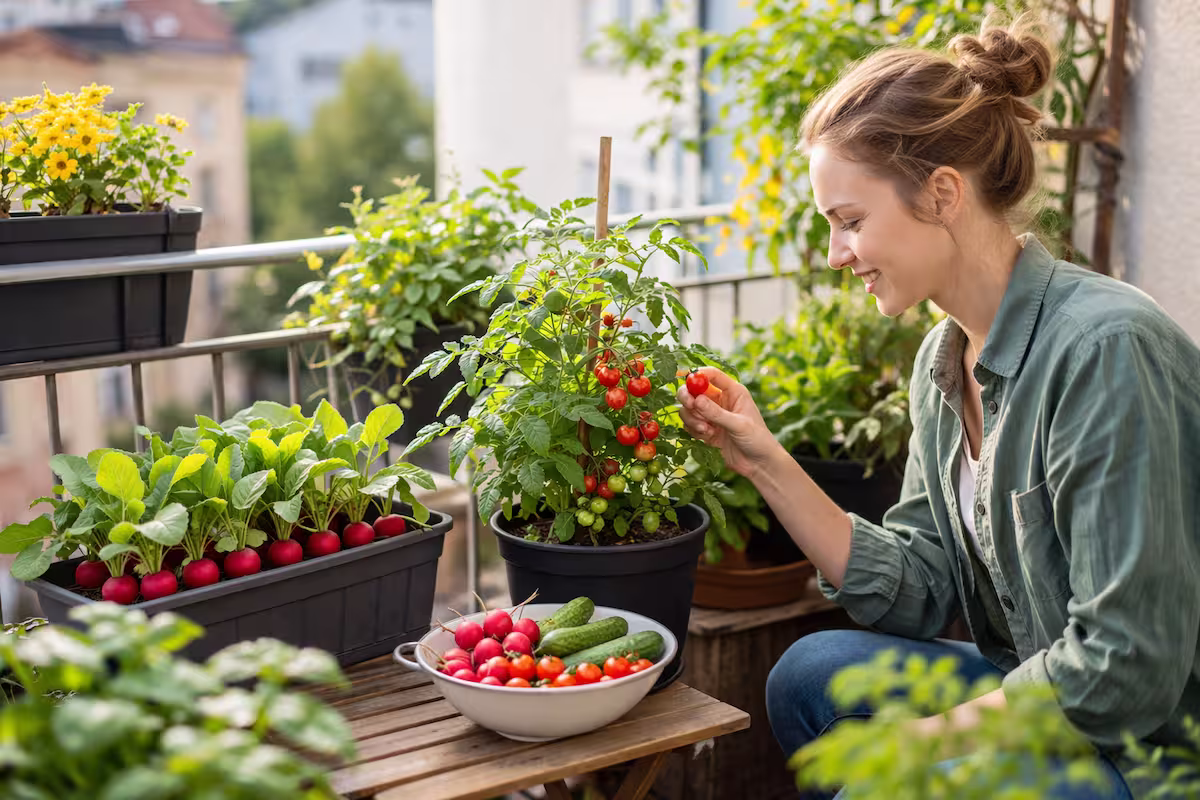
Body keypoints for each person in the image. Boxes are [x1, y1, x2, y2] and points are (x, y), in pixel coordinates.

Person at [677, 14, 1200, 800]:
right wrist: (761, 459)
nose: (836, 254)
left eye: (851, 222)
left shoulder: (1103, 350)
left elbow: (1127, 666)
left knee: (884, 780)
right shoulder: (941, 362)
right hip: (1042, 696)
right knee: (810, 678)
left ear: (943, 193)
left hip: (1150, 753)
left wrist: (919, 750)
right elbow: (920, 586)